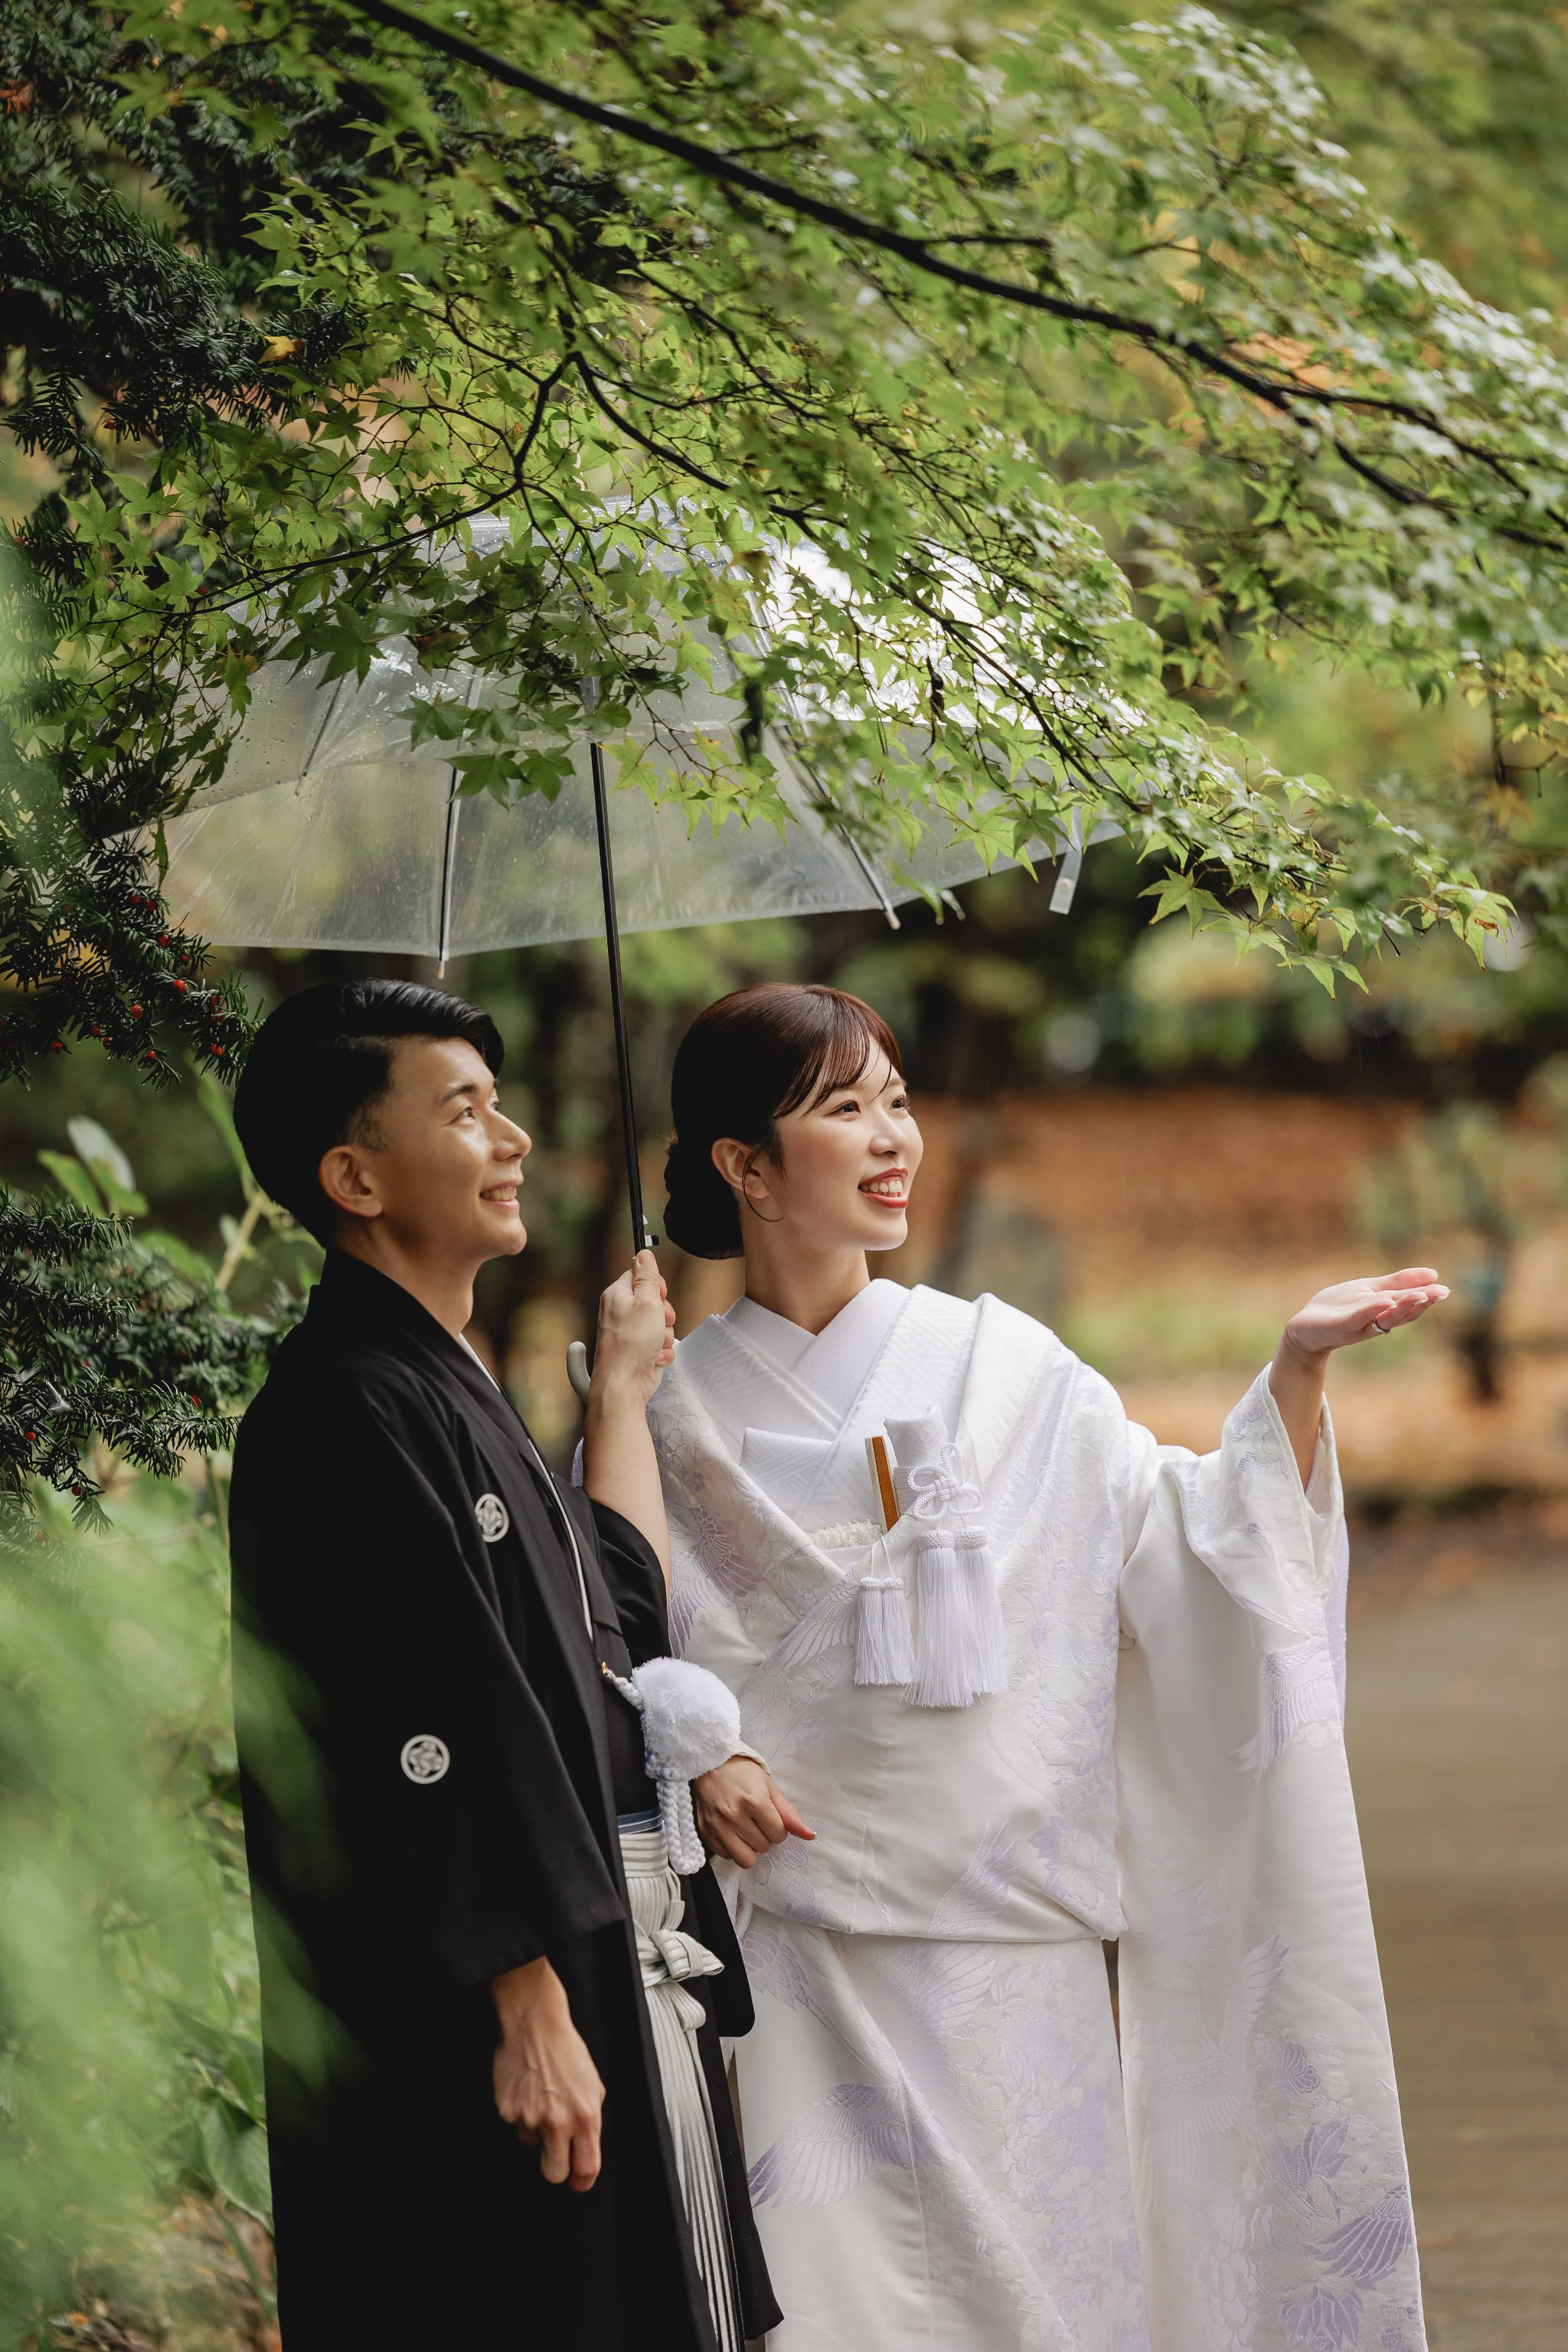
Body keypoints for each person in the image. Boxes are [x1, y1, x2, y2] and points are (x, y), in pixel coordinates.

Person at [647, 981, 1441, 2352]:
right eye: (844, 1109)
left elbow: (1180, 1541)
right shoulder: (668, 1409)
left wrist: (1293, 1382)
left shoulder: (1008, 1370)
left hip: (1011, 1954)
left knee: (1041, 2308)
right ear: (745, 1166)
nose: (893, 1137)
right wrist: (696, 1749)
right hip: (801, 1952)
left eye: (898, 1100)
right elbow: (616, 1637)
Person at [227, 978, 779, 2352]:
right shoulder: (342, 1405)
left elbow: (608, 1622)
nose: (514, 1138)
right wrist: (526, 2001)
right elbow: (418, 1725)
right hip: (482, 1995)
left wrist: (624, 1395)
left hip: (578, 1960)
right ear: (355, 1178)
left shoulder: (444, 1382)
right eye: (466, 1111)